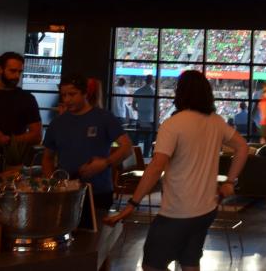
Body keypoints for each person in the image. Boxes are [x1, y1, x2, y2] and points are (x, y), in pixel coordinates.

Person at [103, 70, 248, 271]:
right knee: (189, 262)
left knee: (151, 265)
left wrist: (133, 203)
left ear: (180, 93)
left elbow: (156, 167)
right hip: (206, 209)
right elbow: (243, 147)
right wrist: (230, 182)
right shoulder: (216, 121)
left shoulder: (172, 125)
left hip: (177, 212)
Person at [42, 74, 132, 222]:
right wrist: (52, 183)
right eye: (64, 95)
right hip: (66, 191)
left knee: (95, 239)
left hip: (98, 191)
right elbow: (47, 157)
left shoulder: (104, 118)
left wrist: (105, 163)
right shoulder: (57, 123)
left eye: (72, 94)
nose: (67, 99)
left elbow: (127, 147)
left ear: (85, 93)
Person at [0, 52, 42, 167]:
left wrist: (7, 140)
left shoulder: (27, 99)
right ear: (0, 69)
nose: (16, 76)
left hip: (13, 162)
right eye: (12, 71)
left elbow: (36, 135)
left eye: (19, 72)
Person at [133, 75, 156, 157]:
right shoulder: (154, 92)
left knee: (136, 139)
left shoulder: (138, 91)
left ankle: (135, 155)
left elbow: (133, 105)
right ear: (152, 81)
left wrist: (140, 110)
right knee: (148, 140)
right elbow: (156, 107)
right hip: (150, 119)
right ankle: (146, 156)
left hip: (140, 119)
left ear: (145, 80)